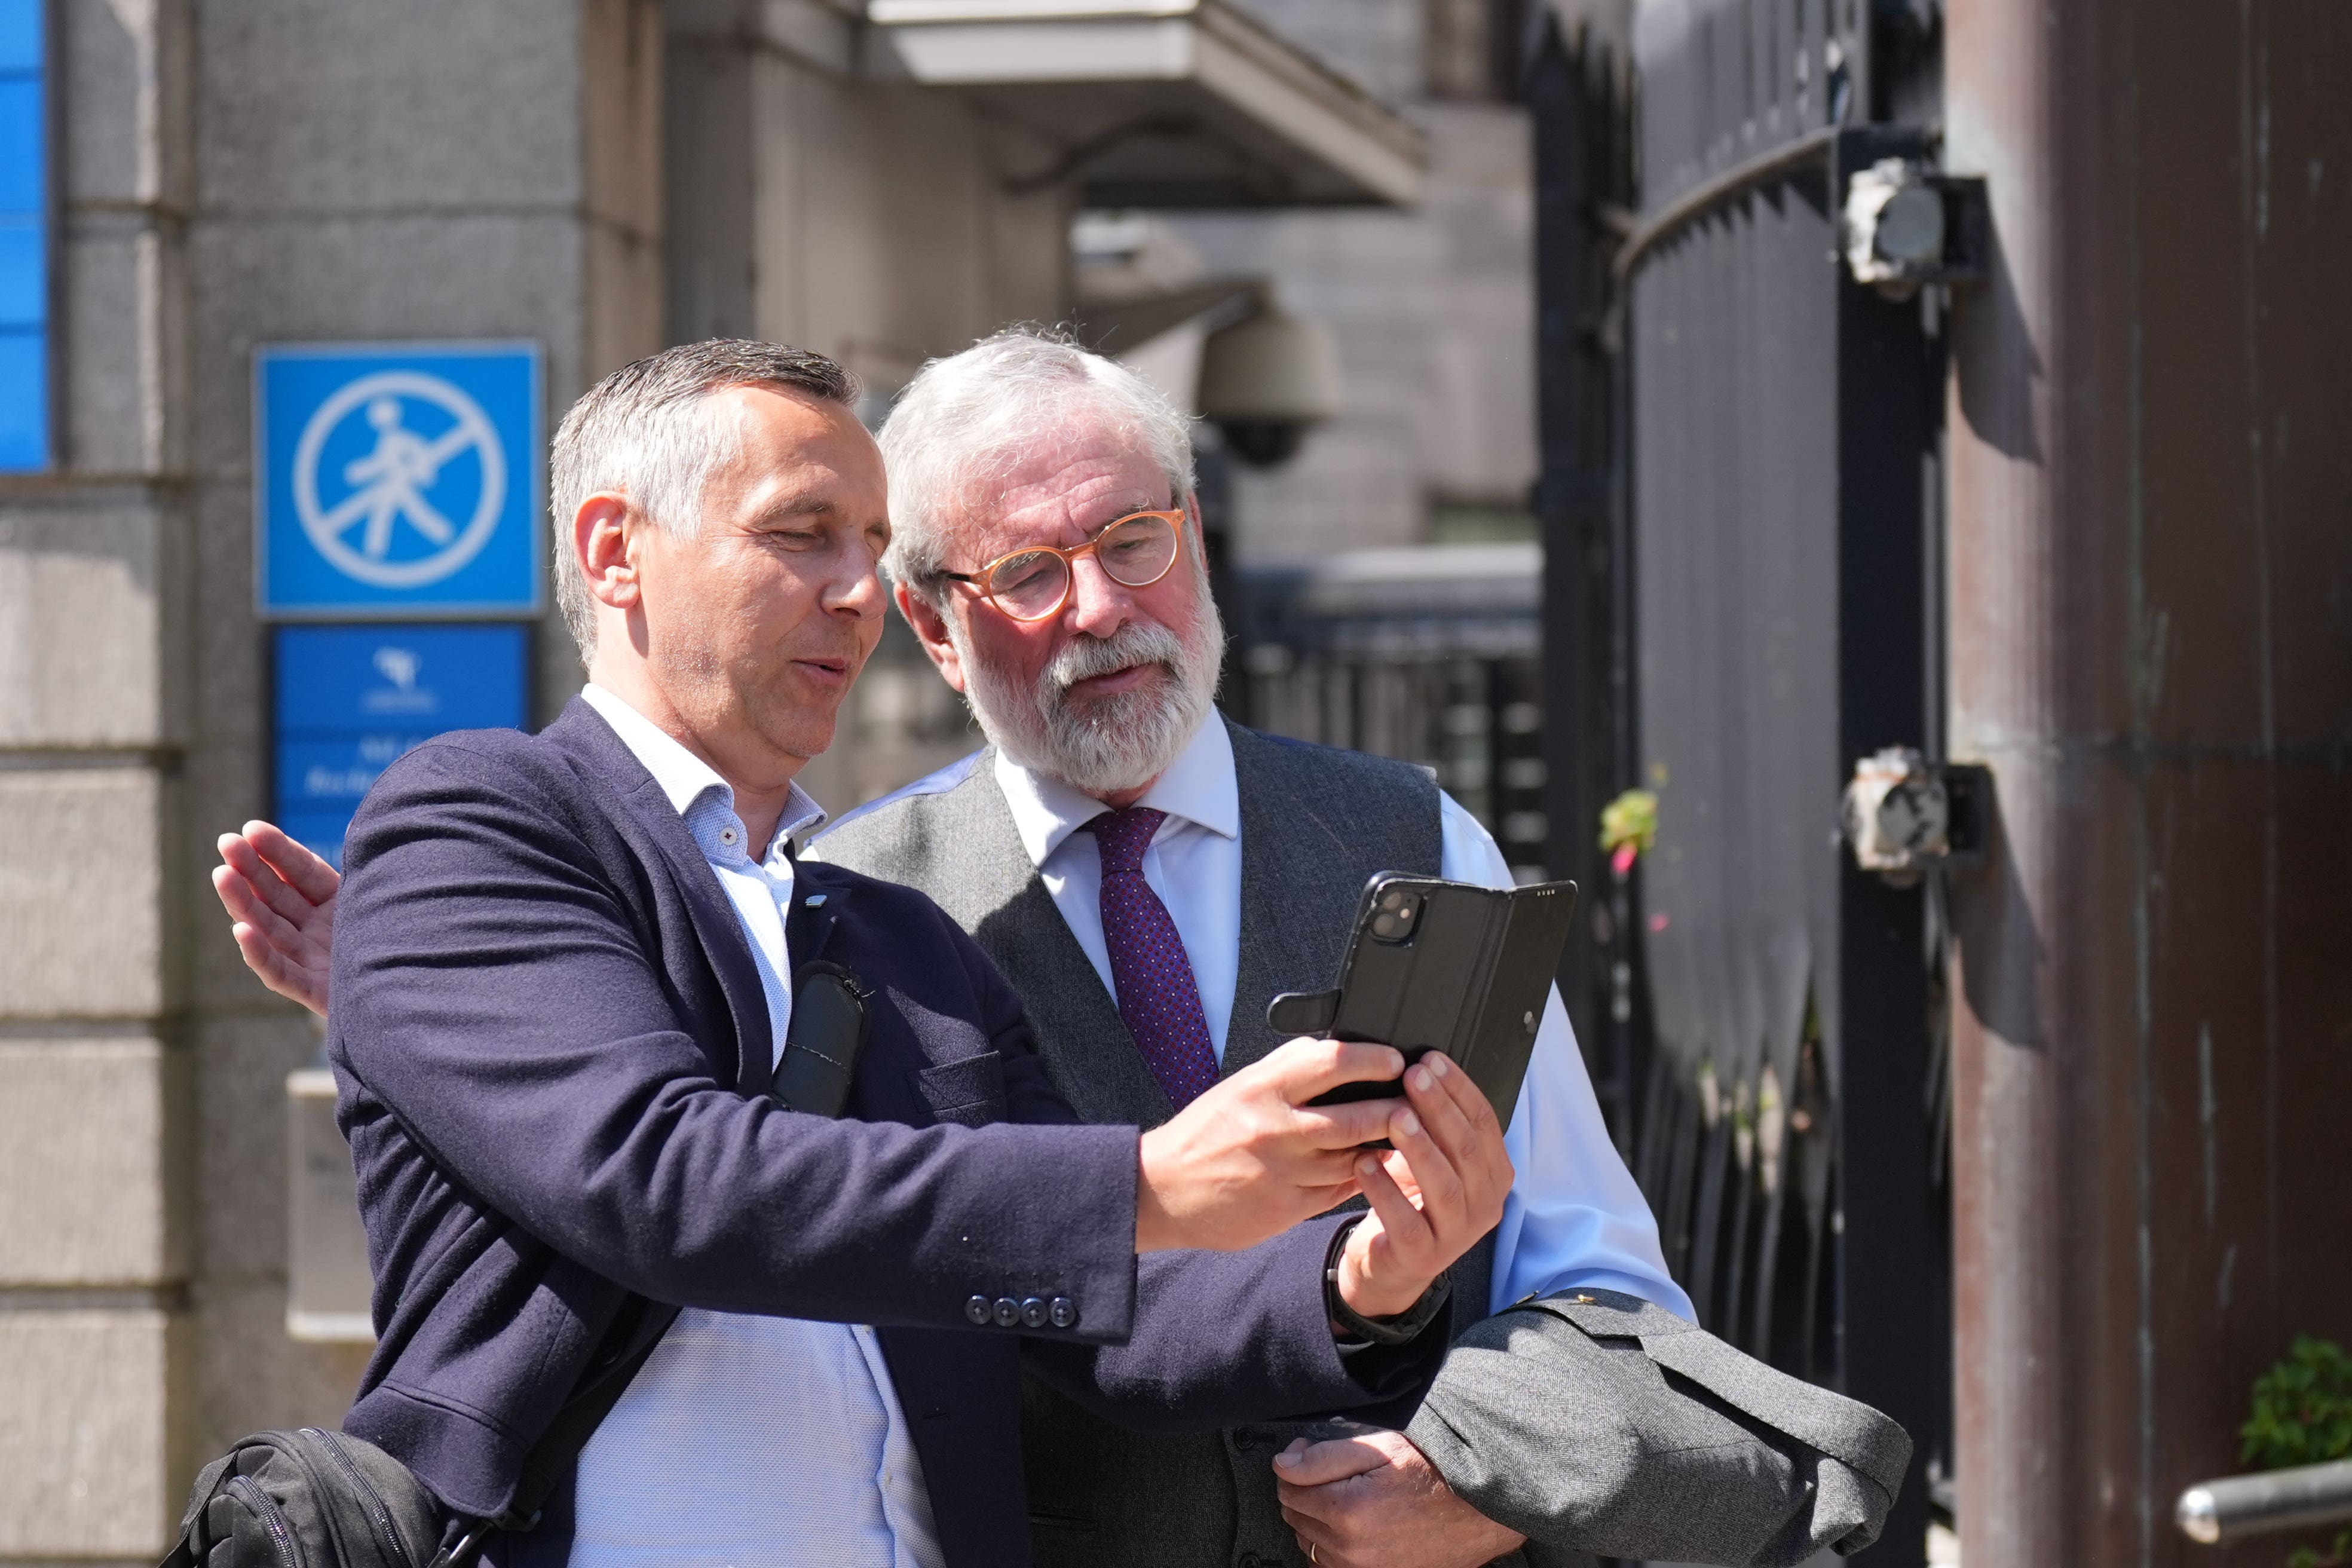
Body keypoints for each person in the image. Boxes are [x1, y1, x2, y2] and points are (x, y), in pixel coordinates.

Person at [222, 335, 1913, 1568]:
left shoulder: (859, 917)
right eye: (804, 538)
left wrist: (1363, 1288)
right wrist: (1149, 1185)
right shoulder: (492, 818)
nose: (850, 596)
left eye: (1133, 543)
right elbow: (665, 1176)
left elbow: (1095, 1320)